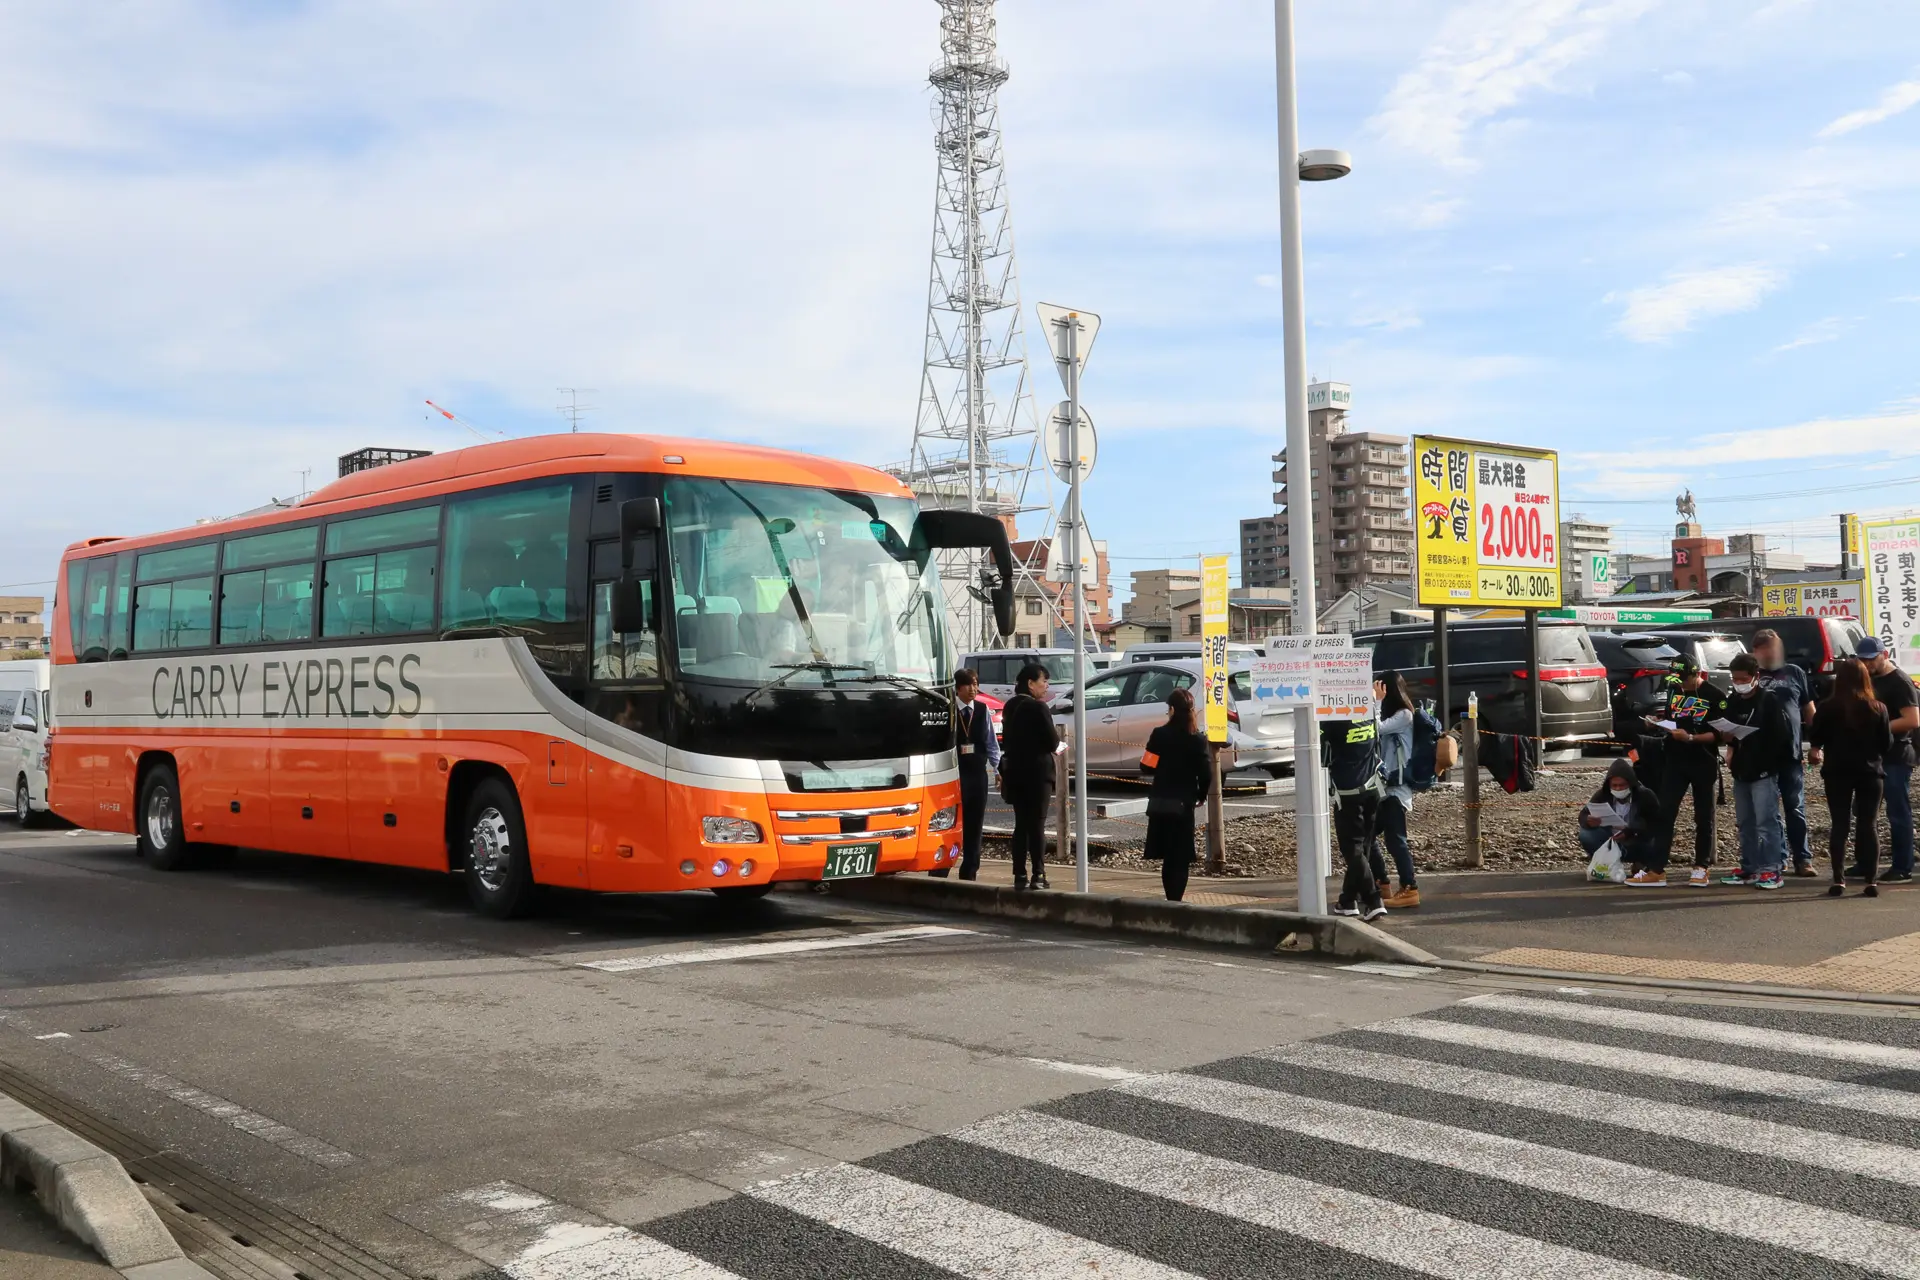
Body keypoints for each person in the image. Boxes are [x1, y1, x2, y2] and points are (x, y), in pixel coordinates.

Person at [1806, 657, 1892, 897]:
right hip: (1870, 771)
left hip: (1837, 772)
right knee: (1869, 824)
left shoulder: (1828, 707)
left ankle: (1838, 879)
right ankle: (1871, 881)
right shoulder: (1878, 708)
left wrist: (1818, 749)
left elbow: (1816, 737)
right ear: (1865, 679)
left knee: (1840, 825)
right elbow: (1886, 744)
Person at [1644, 655, 1727, 887]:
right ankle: (1657, 868)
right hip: (1675, 760)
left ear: (1696, 673)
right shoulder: (1674, 689)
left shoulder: (1714, 696)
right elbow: (1671, 718)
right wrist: (1658, 721)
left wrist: (1691, 738)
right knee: (1665, 812)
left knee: (1703, 816)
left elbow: (1720, 734)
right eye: (1677, 679)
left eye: (1684, 679)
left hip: (1703, 760)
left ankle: (1701, 866)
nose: (1680, 683)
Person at [1721, 652, 1796, 890]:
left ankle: (1773, 869)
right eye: (1735, 679)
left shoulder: (1769, 701)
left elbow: (1782, 737)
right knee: (1745, 822)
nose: (1738, 683)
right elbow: (1728, 730)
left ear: (1755, 677)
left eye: (1743, 679)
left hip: (1764, 770)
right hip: (1741, 769)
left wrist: (1760, 746)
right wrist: (1730, 742)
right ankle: (1750, 867)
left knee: (1767, 821)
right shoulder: (1734, 700)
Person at [1752, 628, 1818, 876]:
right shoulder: (1752, 674)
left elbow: (1810, 711)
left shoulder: (1794, 672)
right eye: (1769, 648)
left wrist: (1817, 744)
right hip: (1761, 755)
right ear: (1757, 650)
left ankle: (1803, 858)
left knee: (1795, 807)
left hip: (1791, 754)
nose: (1774, 652)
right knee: (1768, 811)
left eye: (1777, 647)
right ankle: (1779, 858)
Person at [1855, 636, 1919, 883]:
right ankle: (1865, 862)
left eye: (1871, 659)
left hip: (1897, 755)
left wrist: (1879, 728)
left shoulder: (1899, 681)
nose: (1867, 664)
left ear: (1885, 654)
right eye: (1862, 659)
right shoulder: (1866, 677)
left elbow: (1912, 720)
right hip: (1873, 755)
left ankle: (1902, 866)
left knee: (1897, 811)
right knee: (1863, 809)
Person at [1139, 688, 1211, 902]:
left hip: (1161, 802)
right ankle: (1177, 901)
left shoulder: (1159, 734)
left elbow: (1146, 766)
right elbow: (1206, 773)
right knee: (1180, 857)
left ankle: (1170, 900)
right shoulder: (1198, 739)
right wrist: (1201, 795)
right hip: (1184, 804)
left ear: (1171, 709)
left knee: (1167, 858)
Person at [931, 668, 998, 881]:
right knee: (946, 823)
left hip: (977, 775)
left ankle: (970, 871)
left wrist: (999, 769)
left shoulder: (982, 709)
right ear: (958, 688)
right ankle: (939, 870)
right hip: (953, 777)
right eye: (969, 685)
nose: (973, 689)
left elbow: (991, 743)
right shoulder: (948, 710)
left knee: (975, 825)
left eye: (976, 684)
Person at [997, 662, 1058, 892]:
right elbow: (1052, 742)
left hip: (1015, 772)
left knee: (1020, 825)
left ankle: (1019, 874)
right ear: (1030, 683)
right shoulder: (1039, 708)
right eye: (1043, 681)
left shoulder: (1009, 707)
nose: (1046, 685)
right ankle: (1039, 875)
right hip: (1038, 773)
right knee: (1037, 825)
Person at [1322, 713, 1386, 921]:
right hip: (1373, 787)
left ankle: (1373, 899)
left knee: (1352, 848)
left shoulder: (1332, 719)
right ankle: (1347, 900)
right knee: (1364, 845)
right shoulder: (1368, 714)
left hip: (1348, 792)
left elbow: (1321, 754)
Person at [1371, 670, 1421, 909]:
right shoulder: (1397, 715)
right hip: (1385, 788)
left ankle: (1410, 888)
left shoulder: (1404, 715)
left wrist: (1376, 701)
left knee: (1396, 840)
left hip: (1397, 789)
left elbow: (1376, 728)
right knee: (1368, 837)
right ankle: (1381, 883)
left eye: (1380, 687)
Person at [1581, 759, 1664, 884]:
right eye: (1614, 786)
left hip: (1637, 841)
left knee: (1657, 839)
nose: (1618, 789)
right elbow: (1583, 814)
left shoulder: (1645, 796)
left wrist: (1630, 831)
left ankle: (1642, 863)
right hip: (1612, 841)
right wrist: (1588, 820)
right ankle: (1605, 862)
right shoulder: (1602, 795)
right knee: (1585, 834)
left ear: (1630, 784)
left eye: (1622, 785)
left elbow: (1656, 822)